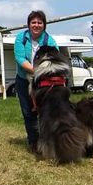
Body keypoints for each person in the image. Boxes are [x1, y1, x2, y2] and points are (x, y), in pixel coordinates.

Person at [14, 10, 58, 153]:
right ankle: (33, 142)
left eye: (40, 22)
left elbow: (55, 59)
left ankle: (48, 141)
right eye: (33, 22)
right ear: (28, 24)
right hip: (24, 79)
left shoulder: (50, 41)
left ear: (44, 25)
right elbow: (20, 59)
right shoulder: (21, 38)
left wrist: (44, 74)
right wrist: (36, 71)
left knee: (46, 113)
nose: (36, 25)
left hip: (44, 83)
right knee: (28, 113)